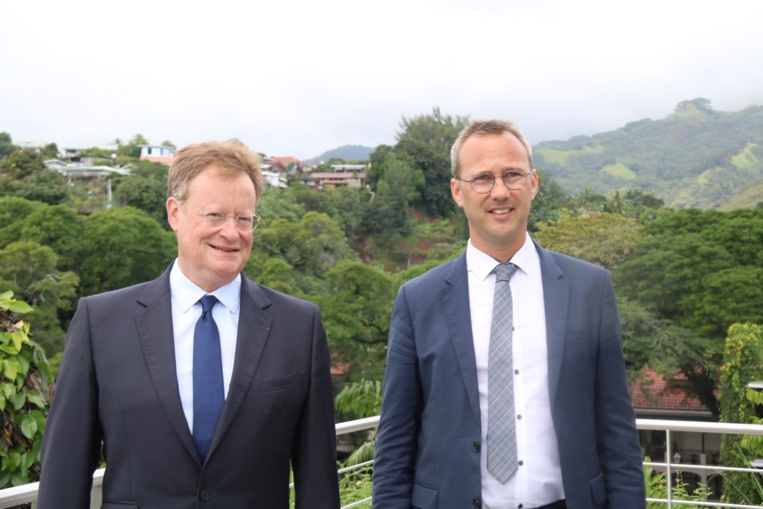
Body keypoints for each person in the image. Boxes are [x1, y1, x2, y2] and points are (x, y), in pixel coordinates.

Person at [38, 140, 340, 509]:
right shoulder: (100, 322)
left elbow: (318, 481)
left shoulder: (299, 326)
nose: (231, 232)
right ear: (175, 213)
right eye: (214, 215)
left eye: (244, 218)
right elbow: (64, 473)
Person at [372, 120, 645, 509]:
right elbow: (395, 440)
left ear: (533, 183)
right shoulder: (418, 300)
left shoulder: (589, 287)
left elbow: (617, 428)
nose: (500, 191)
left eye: (512, 175)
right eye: (482, 178)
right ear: (457, 191)